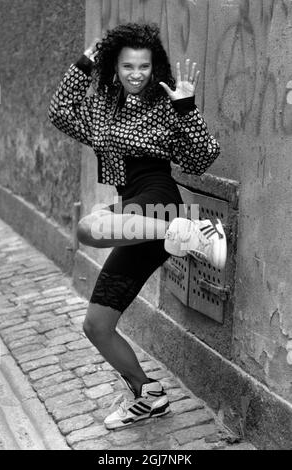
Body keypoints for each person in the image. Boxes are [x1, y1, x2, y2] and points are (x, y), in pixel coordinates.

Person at [48, 23, 226, 430]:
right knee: (96, 325)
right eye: (128, 65)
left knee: (88, 228)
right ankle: (148, 395)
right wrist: (83, 64)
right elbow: (60, 112)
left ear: (153, 67)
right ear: (114, 66)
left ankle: (190, 230)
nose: (136, 73)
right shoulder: (100, 107)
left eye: (144, 66)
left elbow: (202, 158)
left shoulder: (163, 104)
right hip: (139, 221)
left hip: (158, 201)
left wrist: (186, 107)